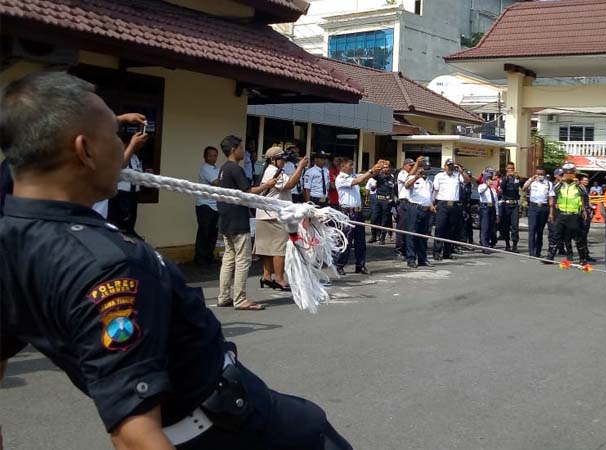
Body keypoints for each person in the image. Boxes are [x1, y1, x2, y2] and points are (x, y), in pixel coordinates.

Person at [0, 71, 353, 450]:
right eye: (115, 138)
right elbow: (135, 434)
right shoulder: (108, 265)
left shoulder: (13, 238)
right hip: (227, 429)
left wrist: (103, 122)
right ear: (85, 150)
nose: (124, 151)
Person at [217, 134, 277, 311]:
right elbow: (249, 192)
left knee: (229, 258)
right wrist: (267, 185)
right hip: (237, 218)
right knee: (243, 259)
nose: (244, 151)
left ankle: (224, 296)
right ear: (234, 149)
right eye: (241, 148)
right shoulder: (235, 169)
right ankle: (240, 298)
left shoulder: (223, 169)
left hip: (226, 217)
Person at [254, 146, 308, 290]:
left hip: (263, 214)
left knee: (267, 249)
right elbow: (289, 184)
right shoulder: (274, 171)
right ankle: (278, 278)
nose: (284, 162)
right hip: (274, 216)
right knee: (280, 249)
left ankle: (266, 276)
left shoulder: (266, 170)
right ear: (273, 160)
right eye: (281, 159)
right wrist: (301, 167)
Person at [333, 159, 385, 276]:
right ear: (343, 167)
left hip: (358, 212)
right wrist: (372, 170)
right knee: (346, 240)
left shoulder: (352, 175)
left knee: (360, 241)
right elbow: (359, 180)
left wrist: (377, 167)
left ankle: (360, 265)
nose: (352, 167)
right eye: (350, 165)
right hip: (347, 212)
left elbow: (367, 175)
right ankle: (339, 265)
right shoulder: (341, 178)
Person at [547, 163, 590, 265]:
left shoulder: (578, 185)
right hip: (562, 214)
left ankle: (582, 259)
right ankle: (550, 257)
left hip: (574, 214)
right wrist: (561, 181)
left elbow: (584, 193)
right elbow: (554, 190)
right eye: (566, 173)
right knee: (555, 235)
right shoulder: (561, 184)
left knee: (578, 237)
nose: (568, 175)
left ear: (574, 173)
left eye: (571, 173)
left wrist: (578, 183)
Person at [107, 130, 148, 236]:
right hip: (121, 195)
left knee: (130, 222)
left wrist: (145, 175)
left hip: (133, 195)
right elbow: (118, 169)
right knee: (120, 224)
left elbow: (136, 173)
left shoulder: (135, 157)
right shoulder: (118, 156)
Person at [432, 158, 471, 261]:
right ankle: (437, 252)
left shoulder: (457, 176)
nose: (450, 168)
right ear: (445, 166)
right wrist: (432, 203)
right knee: (440, 229)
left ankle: (447, 252)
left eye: (452, 166)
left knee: (451, 230)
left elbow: (467, 180)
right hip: (442, 204)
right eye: (448, 166)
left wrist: (461, 171)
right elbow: (435, 190)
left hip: (454, 205)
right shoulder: (439, 176)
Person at [404, 156, 435, 268]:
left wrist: (431, 205)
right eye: (423, 168)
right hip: (415, 208)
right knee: (412, 234)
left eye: (427, 168)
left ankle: (422, 258)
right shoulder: (412, 177)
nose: (425, 170)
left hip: (426, 210)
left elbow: (429, 196)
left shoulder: (429, 182)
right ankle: (411, 259)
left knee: (423, 235)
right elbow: (407, 186)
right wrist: (416, 177)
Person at [194, 146, 220, 265]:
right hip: (205, 205)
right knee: (204, 232)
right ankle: (200, 258)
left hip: (215, 205)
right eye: (210, 155)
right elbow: (216, 182)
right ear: (205, 156)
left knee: (213, 232)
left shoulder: (216, 168)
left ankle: (209, 257)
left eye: (215, 155)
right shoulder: (205, 168)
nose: (213, 158)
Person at [522, 166, 553, 257]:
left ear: (544, 174)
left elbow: (551, 197)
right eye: (538, 174)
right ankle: (531, 251)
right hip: (533, 207)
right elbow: (524, 189)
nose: (540, 176)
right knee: (532, 230)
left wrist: (551, 212)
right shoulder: (532, 182)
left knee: (540, 231)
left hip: (543, 208)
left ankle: (538, 251)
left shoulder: (549, 184)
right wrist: (531, 180)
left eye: (541, 174)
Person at [368, 161, 394, 245]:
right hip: (378, 199)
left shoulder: (392, 177)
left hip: (386, 201)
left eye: (387, 167)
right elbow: (372, 174)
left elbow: (394, 189)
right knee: (374, 218)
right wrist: (377, 167)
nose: (385, 169)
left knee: (385, 220)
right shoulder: (379, 176)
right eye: (384, 167)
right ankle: (374, 235)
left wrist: (392, 199)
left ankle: (382, 237)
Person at [498, 161, 521, 253]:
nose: (511, 170)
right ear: (506, 169)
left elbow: (523, 186)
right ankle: (507, 244)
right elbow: (501, 188)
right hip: (506, 204)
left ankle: (514, 245)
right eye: (509, 168)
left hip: (515, 204)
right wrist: (507, 178)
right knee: (505, 225)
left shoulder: (516, 179)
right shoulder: (503, 179)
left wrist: (519, 178)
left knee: (515, 225)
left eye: (512, 168)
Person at [395, 158, 415, 258]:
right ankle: (399, 249)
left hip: (412, 203)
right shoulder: (402, 173)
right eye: (410, 165)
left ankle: (408, 249)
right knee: (402, 227)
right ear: (404, 165)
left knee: (410, 228)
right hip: (404, 203)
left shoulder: (413, 175)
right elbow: (407, 180)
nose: (411, 167)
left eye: (413, 165)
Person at [478, 169, 500, 254]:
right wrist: (486, 185)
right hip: (485, 208)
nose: (490, 180)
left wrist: (497, 214)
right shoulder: (482, 186)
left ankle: (491, 243)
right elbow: (480, 191)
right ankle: (484, 246)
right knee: (485, 227)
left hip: (492, 208)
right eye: (488, 178)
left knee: (492, 227)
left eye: (491, 179)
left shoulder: (493, 189)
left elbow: (496, 201)